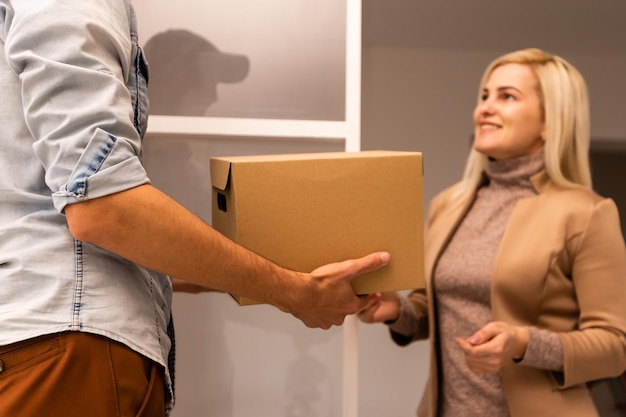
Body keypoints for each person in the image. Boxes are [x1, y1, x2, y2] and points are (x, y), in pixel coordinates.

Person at [0, 2, 389, 417]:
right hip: (69, 348)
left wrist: (295, 277)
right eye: (206, 78)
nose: (215, 94)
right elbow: (103, 207)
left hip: (51, 343)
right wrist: (296, 292)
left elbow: (100, 226)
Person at [358, 47, 626, 417]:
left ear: (551, 121)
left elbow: (615, 347)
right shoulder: (447, 204)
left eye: (507, 96)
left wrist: (522, 342)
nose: (484, 107)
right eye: (484, 95)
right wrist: (396, 310)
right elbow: (435, 307)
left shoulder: (588, 212)